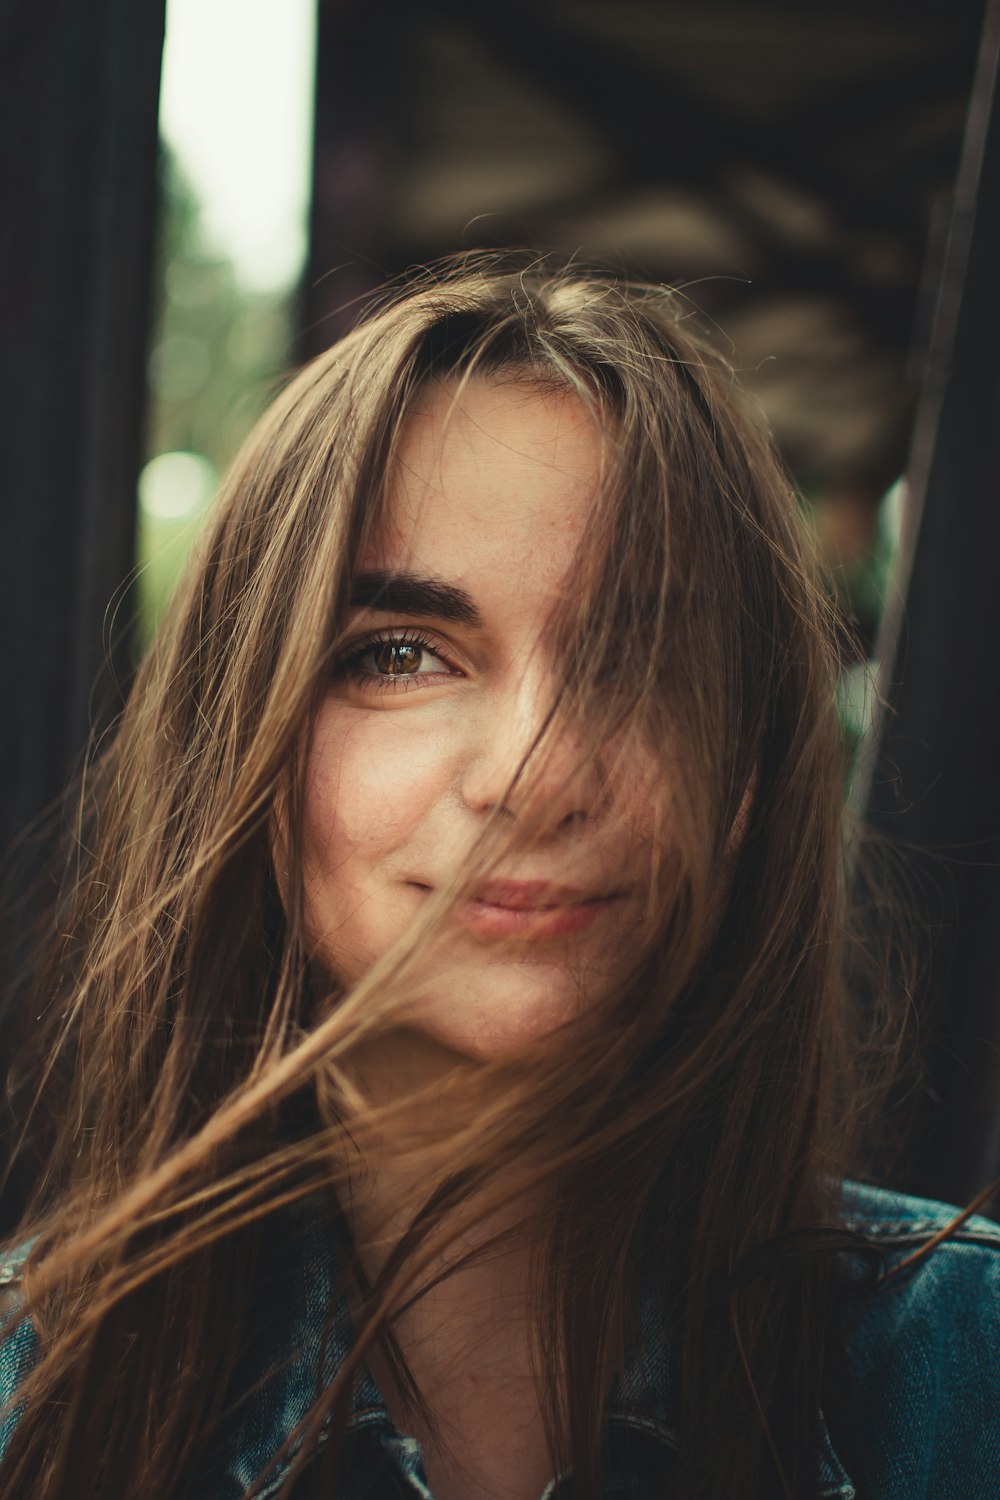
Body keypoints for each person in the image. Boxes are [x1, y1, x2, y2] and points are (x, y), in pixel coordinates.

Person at [0, 253, 998, 1500]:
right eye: (404, 653)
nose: (536, 773)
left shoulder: (966, 1372)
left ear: (747, 767)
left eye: (636, 653)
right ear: (242, 739)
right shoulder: (29, 1400)